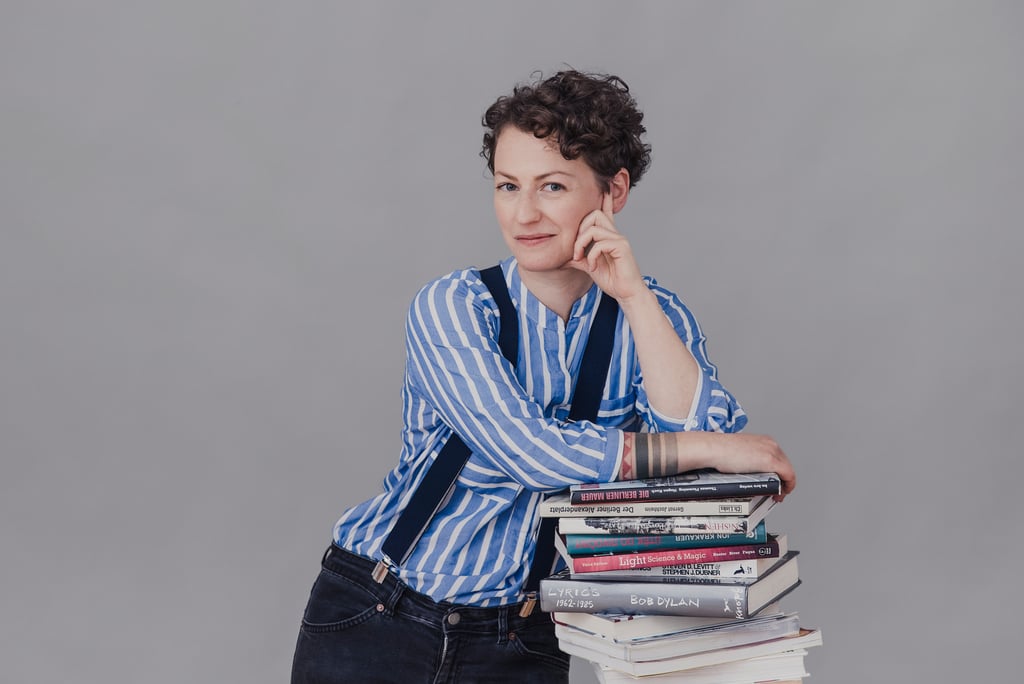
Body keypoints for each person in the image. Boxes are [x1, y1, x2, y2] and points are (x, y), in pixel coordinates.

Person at [291, 69, 795, 684]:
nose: (524, 213)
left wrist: (635, 298)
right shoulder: (453, 306)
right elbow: (532, 453)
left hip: (523, 637)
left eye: (552, 186)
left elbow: (699, 473)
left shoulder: (655, 318)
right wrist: (711, 447)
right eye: (508, 186)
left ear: (614, 192)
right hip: (379, 616)